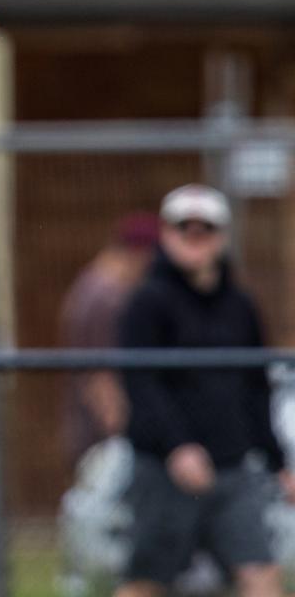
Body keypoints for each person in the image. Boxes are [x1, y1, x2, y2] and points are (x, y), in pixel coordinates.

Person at [115, 184, 295, 597]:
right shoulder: (147, 302)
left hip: (232, 466)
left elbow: (255, 387)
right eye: (184, 229)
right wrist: (178, 446)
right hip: (165, 471)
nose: (195, 238)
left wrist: (277, 461)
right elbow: (141, 385)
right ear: (166, 235)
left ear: (222, 237)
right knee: (146, 582)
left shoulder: (240, 305)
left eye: (206, 229)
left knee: (262, 573)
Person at [58, 212, 158, 463]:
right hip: (100, 432)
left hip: (85, 424)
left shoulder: (89, 283)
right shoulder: (108, 297)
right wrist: (118, 434)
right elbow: (100, 375)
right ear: (140, 254)